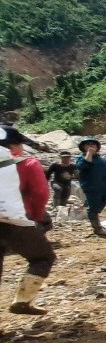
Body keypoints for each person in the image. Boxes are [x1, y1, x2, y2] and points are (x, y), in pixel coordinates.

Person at [0, 126, 56, 315]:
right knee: (43, 257)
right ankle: (22, 301)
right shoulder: (27, 163)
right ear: (13, 146)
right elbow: (41, 193)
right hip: (16, 221)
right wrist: (38, 216)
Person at [75, 137, 106, 237]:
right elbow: (83, 166)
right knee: (93, 208)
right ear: (83, 147)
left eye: (93, 144)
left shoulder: (101, 159)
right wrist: (89, 153)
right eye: (88, 144)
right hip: (91, 188)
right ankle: (97, 228)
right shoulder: (80, 158)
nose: (91, 146)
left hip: (104, 186)